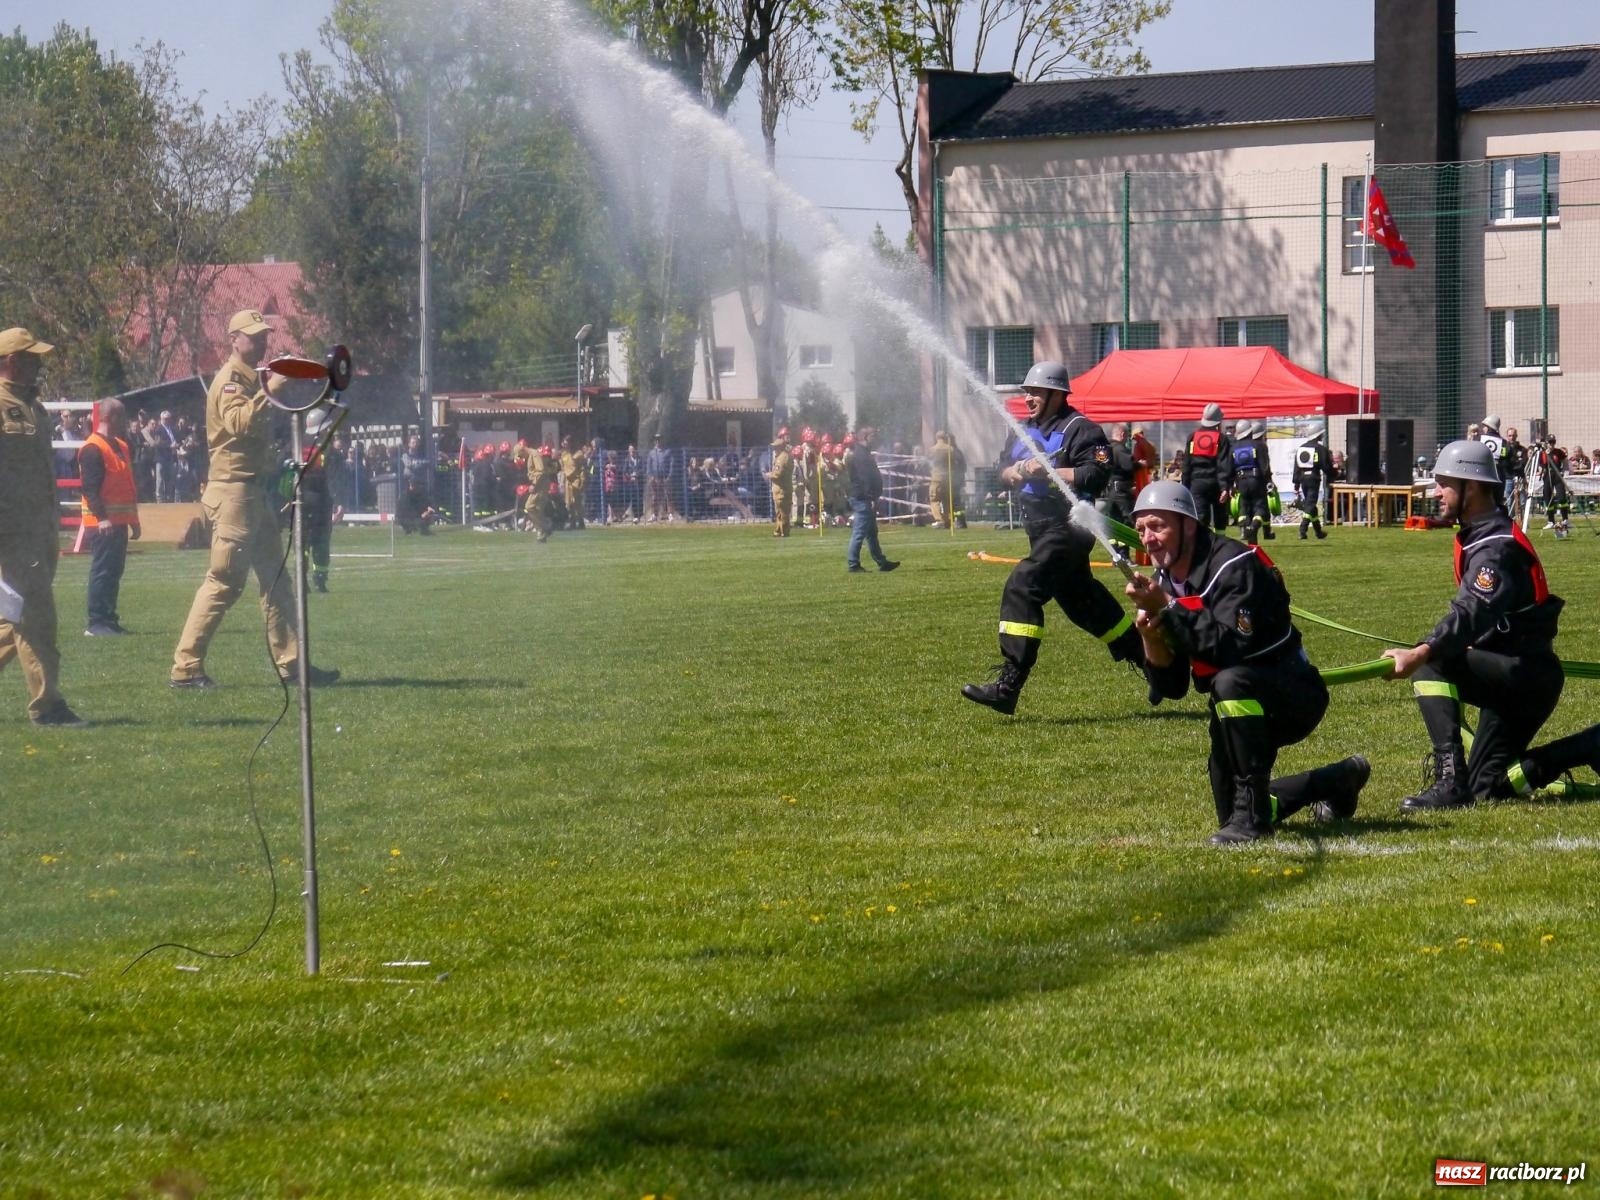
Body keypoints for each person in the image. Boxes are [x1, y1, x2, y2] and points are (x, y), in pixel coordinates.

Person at [1124, 481, 1370, 844]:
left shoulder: (1234, 565)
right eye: (1141, 528)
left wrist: (1170, 609)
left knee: (1230, 681)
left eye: (1157, 526)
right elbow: (1173, 688)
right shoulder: (1166, 580)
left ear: (1188, 524)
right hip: (1236, 706)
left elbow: (1232, 649)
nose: (1148, 538)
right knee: (1230, 811)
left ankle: (1253, 820)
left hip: (1291, 693)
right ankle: (1336, 780)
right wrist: (1150, 636)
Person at [1378, 439, 1596, 809]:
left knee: (1432, 663)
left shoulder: (1496, 549)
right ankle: (1588, 746)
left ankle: (1449, 782)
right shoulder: (1485, 534)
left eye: (1443, 483)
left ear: (1472, 487)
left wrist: (1421, 651)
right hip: (1523, 676)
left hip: (1522, 677)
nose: (1435, 492)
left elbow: (1471, 612)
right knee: (1487, 788)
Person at [961, 360, 1144, 715]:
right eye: (1025, 392)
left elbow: (1096, 473)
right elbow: (1001, 470)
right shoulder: (1020, 430)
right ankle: (1150, 661)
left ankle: (1009, 684)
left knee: (1023, 584)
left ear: (1056, 394)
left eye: (1035, 392)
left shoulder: (1081, 430)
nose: (1027, 398)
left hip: (1070, 528)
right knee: (1082, 603)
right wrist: (1012, 472)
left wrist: (1048, 470)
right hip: (1039, 530)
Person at [170, 308, 339, 690]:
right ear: (233, 339)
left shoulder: (252, 378)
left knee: (277, 580)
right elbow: (239, 423)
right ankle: (186, 666)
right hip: (234, 492)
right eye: (252, 334)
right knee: (225, 581)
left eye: (263, 334)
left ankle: (293, 663)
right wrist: (273, 390)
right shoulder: (231, 379)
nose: (261, 340)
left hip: (253, 491)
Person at [0, 328, 86, 726]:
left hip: (39, 527)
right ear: (12, 360)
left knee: (14, 615)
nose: (40, 363)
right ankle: (47, 706)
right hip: (12, 529)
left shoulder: (33, 406)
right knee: (36, 616)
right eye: (32, 356)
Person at [78, 398, 141, 636]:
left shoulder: (120, 446)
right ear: (109, 417)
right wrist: (102, 518)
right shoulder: (93, 448)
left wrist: (134, 520)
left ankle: (109, 619)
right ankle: (96, 623)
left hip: (119, 522)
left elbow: (126, 486)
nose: (125, 422)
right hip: (102, 524)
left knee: (114, 571)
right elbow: (90, 488)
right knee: (103, 570)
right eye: (121, 416)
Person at [844, 427, 900, 574]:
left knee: (871, 533)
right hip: (863, 498)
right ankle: (853, 564)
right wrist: (871, 496)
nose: (875, 438)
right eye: (873, 435)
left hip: (864, 497)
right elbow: (865, 478)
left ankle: (881, 562)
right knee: (859, 532)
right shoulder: (861, 455)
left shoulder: (863, 453)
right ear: (865, 437)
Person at [296, 408, 338, 593]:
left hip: (302, 500)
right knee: (321, 542)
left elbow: (282, 464)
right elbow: (335, 475)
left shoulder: (296, 444)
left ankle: (302, 580)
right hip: (321, 501)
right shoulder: (326, 447)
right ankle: (320, 580)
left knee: (303, 543)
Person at [1180, 402, 1234, 532]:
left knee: (1200, 517)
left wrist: (1185, 486)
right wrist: (1224, 487)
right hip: (1214, 483)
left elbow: (1187, 464)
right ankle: (1220, 545)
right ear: (1218, 421)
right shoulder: (1221, 439)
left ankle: (1201, 546)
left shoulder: (1192, 438)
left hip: (1196, 484)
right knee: (1220, 518)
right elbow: (1223, 465)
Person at [1229, 419, 1272, 545]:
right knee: (1260, 507)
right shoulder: (1259, 445)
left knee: (1244, 507)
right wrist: (1268, 481)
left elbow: (1229, 468)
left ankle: (1248, 533)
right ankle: (1253, 527)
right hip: (1256, 480)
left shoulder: (1233, 448)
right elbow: (1265, 466)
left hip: (1241, 481)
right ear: (1250, 431)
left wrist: (1230, 484)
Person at [1292, 429, 1332, 540]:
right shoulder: (1320, 449)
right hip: (1313, 479)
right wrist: (1333, 476)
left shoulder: (1300, 448)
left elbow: (1297, 467)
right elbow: (1326, 466)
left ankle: (1318, 532)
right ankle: (1302, 530)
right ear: (1317, 435)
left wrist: (1296, 484)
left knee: (1311, 506)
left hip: (1303, 479)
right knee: (1310, 505)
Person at [929, 430, 968, 529]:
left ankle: (939, 520)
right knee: (947, 500)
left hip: (936, 478)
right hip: (948, 478)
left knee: (934, 499)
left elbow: (928, 460)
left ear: (936, 438)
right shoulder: (950, 449)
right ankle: (948, 520)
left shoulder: (933, 449)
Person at [1534, 435, 1570, 536]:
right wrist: (1540, 471)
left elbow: (1565, 462)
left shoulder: (1559, 452)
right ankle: (1551, 521)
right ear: (1546, 443)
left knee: (1562, 497)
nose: (1551, 444)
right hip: (1548, 476)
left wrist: (1564, 472)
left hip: (1558, 476)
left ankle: (1565, 519)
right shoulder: (1543, 453)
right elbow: (1541, 466)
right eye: (1550, 442)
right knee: (1547, 498)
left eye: (1553, 442)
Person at [764, 431, 792, 537]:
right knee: (779, 512)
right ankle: (778, 530)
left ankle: (784, 531)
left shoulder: (782, 458)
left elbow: (777, 474)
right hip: (780, 489)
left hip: (782, 489)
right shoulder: (781, 456)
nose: (774, 449)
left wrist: (768, 475)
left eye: (775, 447)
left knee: (783, 512)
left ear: (780, 447)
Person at [645, 433, 674, 522]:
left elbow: (671, 464)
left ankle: (670, 514)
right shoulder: (651, 453)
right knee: (654, 497)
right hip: (655, 478)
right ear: (654, 442)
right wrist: (651, 476)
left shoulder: (667, 451)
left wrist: (669, 476)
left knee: (668, 496)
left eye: (659, 440)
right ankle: (654, 514)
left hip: (665, 477)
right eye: (656, 440)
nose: (658, 441)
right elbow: (648, 466)